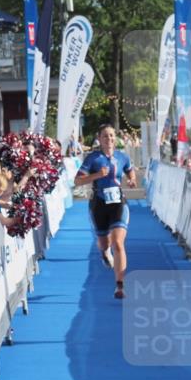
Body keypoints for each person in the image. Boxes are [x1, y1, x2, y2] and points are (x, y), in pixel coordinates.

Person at [74, 124, 138, 299]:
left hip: (118, 203)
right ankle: (104, 252)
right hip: (99, 204)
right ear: (99, 139)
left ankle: (120, 285)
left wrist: (132, 180)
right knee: (104, 243)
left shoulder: (122, 156)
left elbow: (130, 172)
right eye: (105, 136)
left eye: (111, 136)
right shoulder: (93, 159)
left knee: (118, 243)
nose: (109, 139)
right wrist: (96, 175)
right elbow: (78, 181)